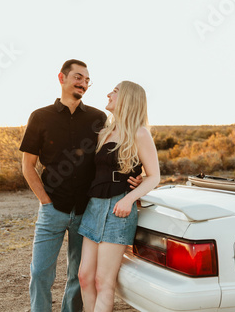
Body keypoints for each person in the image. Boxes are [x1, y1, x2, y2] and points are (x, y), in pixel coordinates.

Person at [19, 60, 141, 312]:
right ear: (61, 78)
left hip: (87, 212)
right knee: (41, 272)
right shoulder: (40, 117)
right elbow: (28, 166)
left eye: (87, 80)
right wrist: (45, 201)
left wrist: (134, 177)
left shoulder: (99, 119)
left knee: (79, 276)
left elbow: (114, 154)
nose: (83, 83)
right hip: (52, 209)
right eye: (78, 77)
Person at [77, 81, 160, 312]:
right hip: (94, 207)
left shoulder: (139, 133)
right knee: (84, 276)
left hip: (118, 210)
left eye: (114, 91)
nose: (108, 94)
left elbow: (154, 176)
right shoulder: (105, 132)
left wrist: (129, 198)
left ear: (127, 99)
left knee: (103, 281)